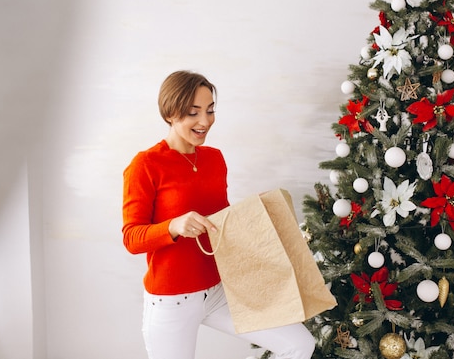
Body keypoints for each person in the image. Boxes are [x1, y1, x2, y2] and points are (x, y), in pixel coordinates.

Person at [122, 70, 316, 359]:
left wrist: (254, 214)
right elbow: (131, 238)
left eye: (210, 110)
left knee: (299, 345)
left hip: (220, 291)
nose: (205, 121)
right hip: (170, 301)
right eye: (193, 112)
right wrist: (173, 226)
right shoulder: (146, 165)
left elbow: (221, 222)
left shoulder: (214, 158)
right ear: (170, 113)